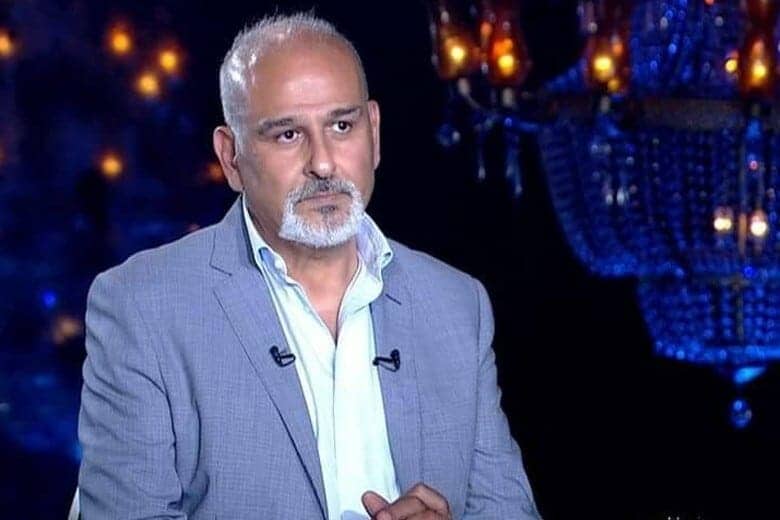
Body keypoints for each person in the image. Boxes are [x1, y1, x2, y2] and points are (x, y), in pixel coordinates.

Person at [77, 12, 541, 520]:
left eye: (342, 126)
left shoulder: (456, 305)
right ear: (231, 158)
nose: (323, 163)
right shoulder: (142, 307)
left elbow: (508, 510)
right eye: (287, 135)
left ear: (374, 132)